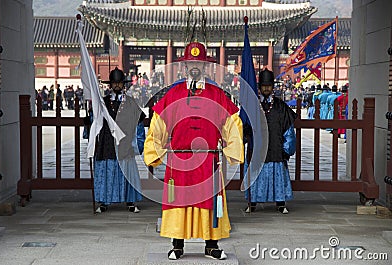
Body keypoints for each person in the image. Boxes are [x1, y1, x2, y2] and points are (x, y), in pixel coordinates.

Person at [144, 42, 244, 260]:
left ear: (205, 66)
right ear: (185, 66)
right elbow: (158, 122)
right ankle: (177, 244)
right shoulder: (174, 93)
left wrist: (231, 148)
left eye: (199, 63)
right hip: (179, 159)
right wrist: (156, 150)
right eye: (191, 63)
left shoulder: (217, 95)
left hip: (208, 160)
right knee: (178, 200)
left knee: (210, 201)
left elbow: (232, 122)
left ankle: (211, 244)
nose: (195, 67)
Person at [245, 69, 297, 214]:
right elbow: (245, 128)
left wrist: (287, 150)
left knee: (277, 176)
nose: (266, 88)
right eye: (264, 85)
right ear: (259, 87)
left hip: (275, 148)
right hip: (257, 149)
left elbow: (289, 131)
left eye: (269, 85)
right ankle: (252, 203)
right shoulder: (253, 106)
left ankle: (280, 203)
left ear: (273, 86)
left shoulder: (281, 107)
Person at [93, 67, 144, 213]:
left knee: (127, 171)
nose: (117, 85)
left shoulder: (130, 102)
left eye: (119, 83)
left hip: (125, 141)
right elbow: (95, 120)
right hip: (107, 141)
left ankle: (130, 201)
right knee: (106, 170)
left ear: (124, 84)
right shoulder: (103, 102)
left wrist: (138, 144)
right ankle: (103, 202)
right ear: (110, 85)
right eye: (114, 83)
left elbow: (139, 122)